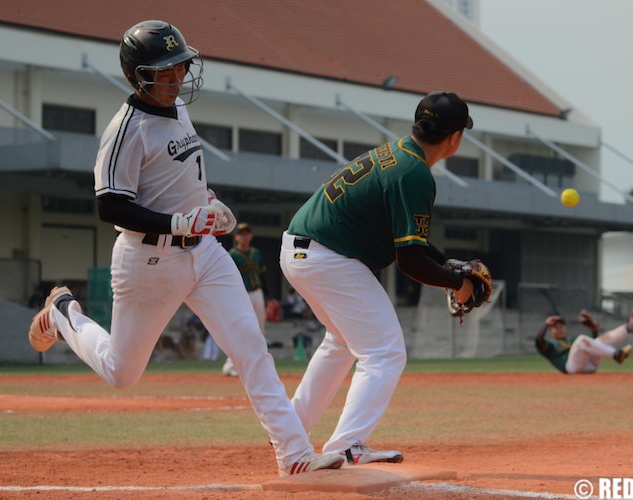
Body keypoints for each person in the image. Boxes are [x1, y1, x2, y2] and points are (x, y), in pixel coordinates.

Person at [26, 20, 342, 476]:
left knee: (251, 348)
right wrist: (176, 222)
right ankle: (64, 313)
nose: (177, 78)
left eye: (180, 67)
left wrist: (210, 203)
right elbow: (110, 206)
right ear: (137, 76)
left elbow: (179, 179)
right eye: (165, 70)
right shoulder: (125, 130)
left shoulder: (175, 108)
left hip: (207, 252)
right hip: (149, 259)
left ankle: (294, 455)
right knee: (122, 373)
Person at [280, 91, 478, 465]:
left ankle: (289, 432)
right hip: (328, 256)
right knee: (384, 351)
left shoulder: (398, 152)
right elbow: (410, 263)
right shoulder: (414, 173)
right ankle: (347, 445)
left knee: (341, 343)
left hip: (301, 250)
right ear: (454, 138)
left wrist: (450, 266)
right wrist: (459, 283)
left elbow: (409, 242)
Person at [535, 308, 633, 374]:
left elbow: (595, 346)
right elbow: (539, 342)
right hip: (571, 369)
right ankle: (616, 354)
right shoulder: (551, 346)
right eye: (555, 327)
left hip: (590, 367)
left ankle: (629, 328)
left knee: (599, 340)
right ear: (551, 331)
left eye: (561, 326)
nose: (559, 329)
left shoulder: (572, 340)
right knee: (581, 340)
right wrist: (546, 325)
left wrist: (594, 329)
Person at [222, 222, 267, 377]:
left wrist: (270, 297)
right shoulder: (232, 255)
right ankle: (230, 365)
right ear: (236, 237)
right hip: (240, 294)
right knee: (240, 328)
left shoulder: (256, 253)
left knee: (259, 329)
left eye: (247, 233)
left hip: (257, 292)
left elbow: (262, 275)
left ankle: (257, 364)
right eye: (241, 233)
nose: (245, 236)